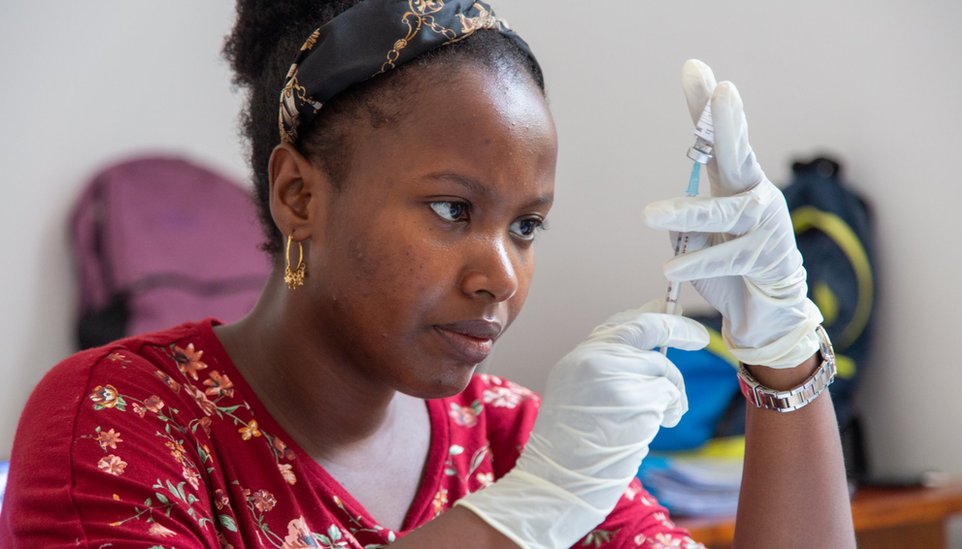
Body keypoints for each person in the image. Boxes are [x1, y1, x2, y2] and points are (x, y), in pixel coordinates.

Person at [0, 1, 856, 547]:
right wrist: (520, 517)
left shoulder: (513, 440)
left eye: (527, 225)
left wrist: (784, 358)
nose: (502, 277)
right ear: (300, 194)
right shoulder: (120, 419)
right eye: (454, 210)